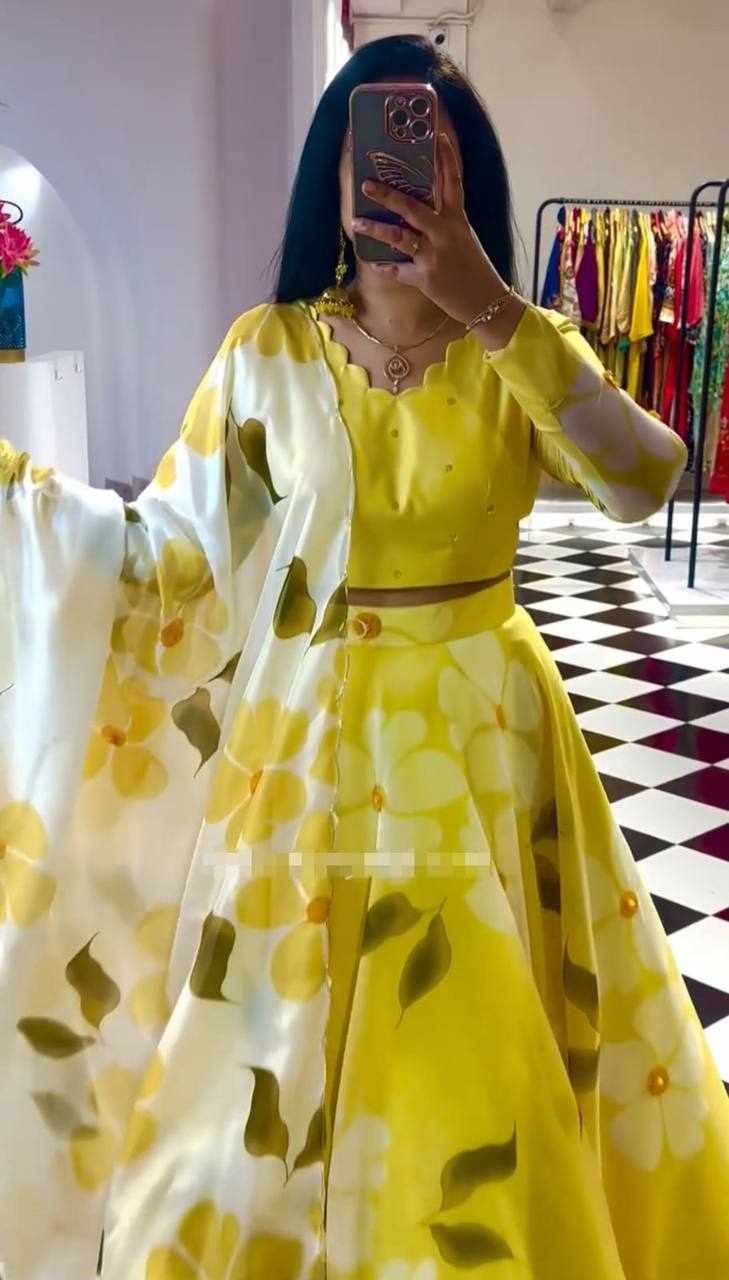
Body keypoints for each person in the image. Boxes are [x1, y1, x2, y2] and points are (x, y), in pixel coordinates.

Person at [1, 32, 727, 1280]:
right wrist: (26, 506)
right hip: (305, 752)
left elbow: (641, 478)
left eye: (427, 158)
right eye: (372, 153)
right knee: (269, 1052)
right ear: (332, 179)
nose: (395, 179)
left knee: (480, 1057)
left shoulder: (517, 348)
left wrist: (489, 303)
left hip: (485, 752)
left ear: (463, 180)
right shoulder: (268, 352)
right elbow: (170, 555)